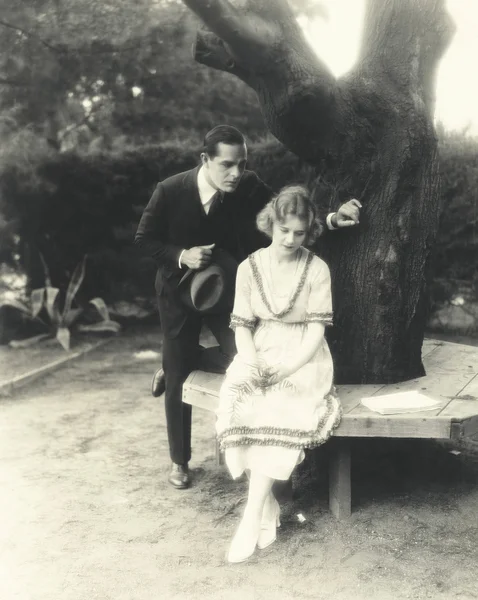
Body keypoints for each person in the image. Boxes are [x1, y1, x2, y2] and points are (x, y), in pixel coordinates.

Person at [134, 125, 360, 490]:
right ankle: (179, 460)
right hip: (177, 293)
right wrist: (181, 255)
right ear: (205, 160)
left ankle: (177, 360)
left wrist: (332, 219)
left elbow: (287, 213)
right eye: (227, 165)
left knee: (243, 361)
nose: (236, 173)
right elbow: (144, 239)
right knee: (177, 375)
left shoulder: (248, 184)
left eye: (241, 164)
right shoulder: (170, 190)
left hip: (225, 292)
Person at [216, 185, 340, 563]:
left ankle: (250, 517)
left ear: (309, 231)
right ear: (270, 223)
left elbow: (317, 331)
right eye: (283, 229)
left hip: (304, 356)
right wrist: (252, 363)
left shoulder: (317, 269)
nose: (290, 239)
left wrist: (288, 367)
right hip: (259, 347)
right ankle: (267, 503)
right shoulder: (248, 267)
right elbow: (241, 325)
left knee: (280, 405)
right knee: (239, 399)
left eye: (299, 233)